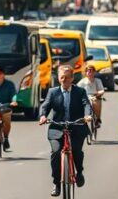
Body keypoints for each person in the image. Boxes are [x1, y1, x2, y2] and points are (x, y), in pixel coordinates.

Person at [39, 65, 93, 197]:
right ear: (58, 78)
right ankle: (57, 183)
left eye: (67, 77)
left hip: (77, 127)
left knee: (76, 151)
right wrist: (43, 116)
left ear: (72, 78)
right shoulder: (53, 92)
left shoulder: (80, 92)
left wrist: (87, 115)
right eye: (62, 77)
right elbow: (45, 106)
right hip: (56, 128)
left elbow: (86, 104)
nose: (64, 80)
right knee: (56, 152)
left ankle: (79, 172)